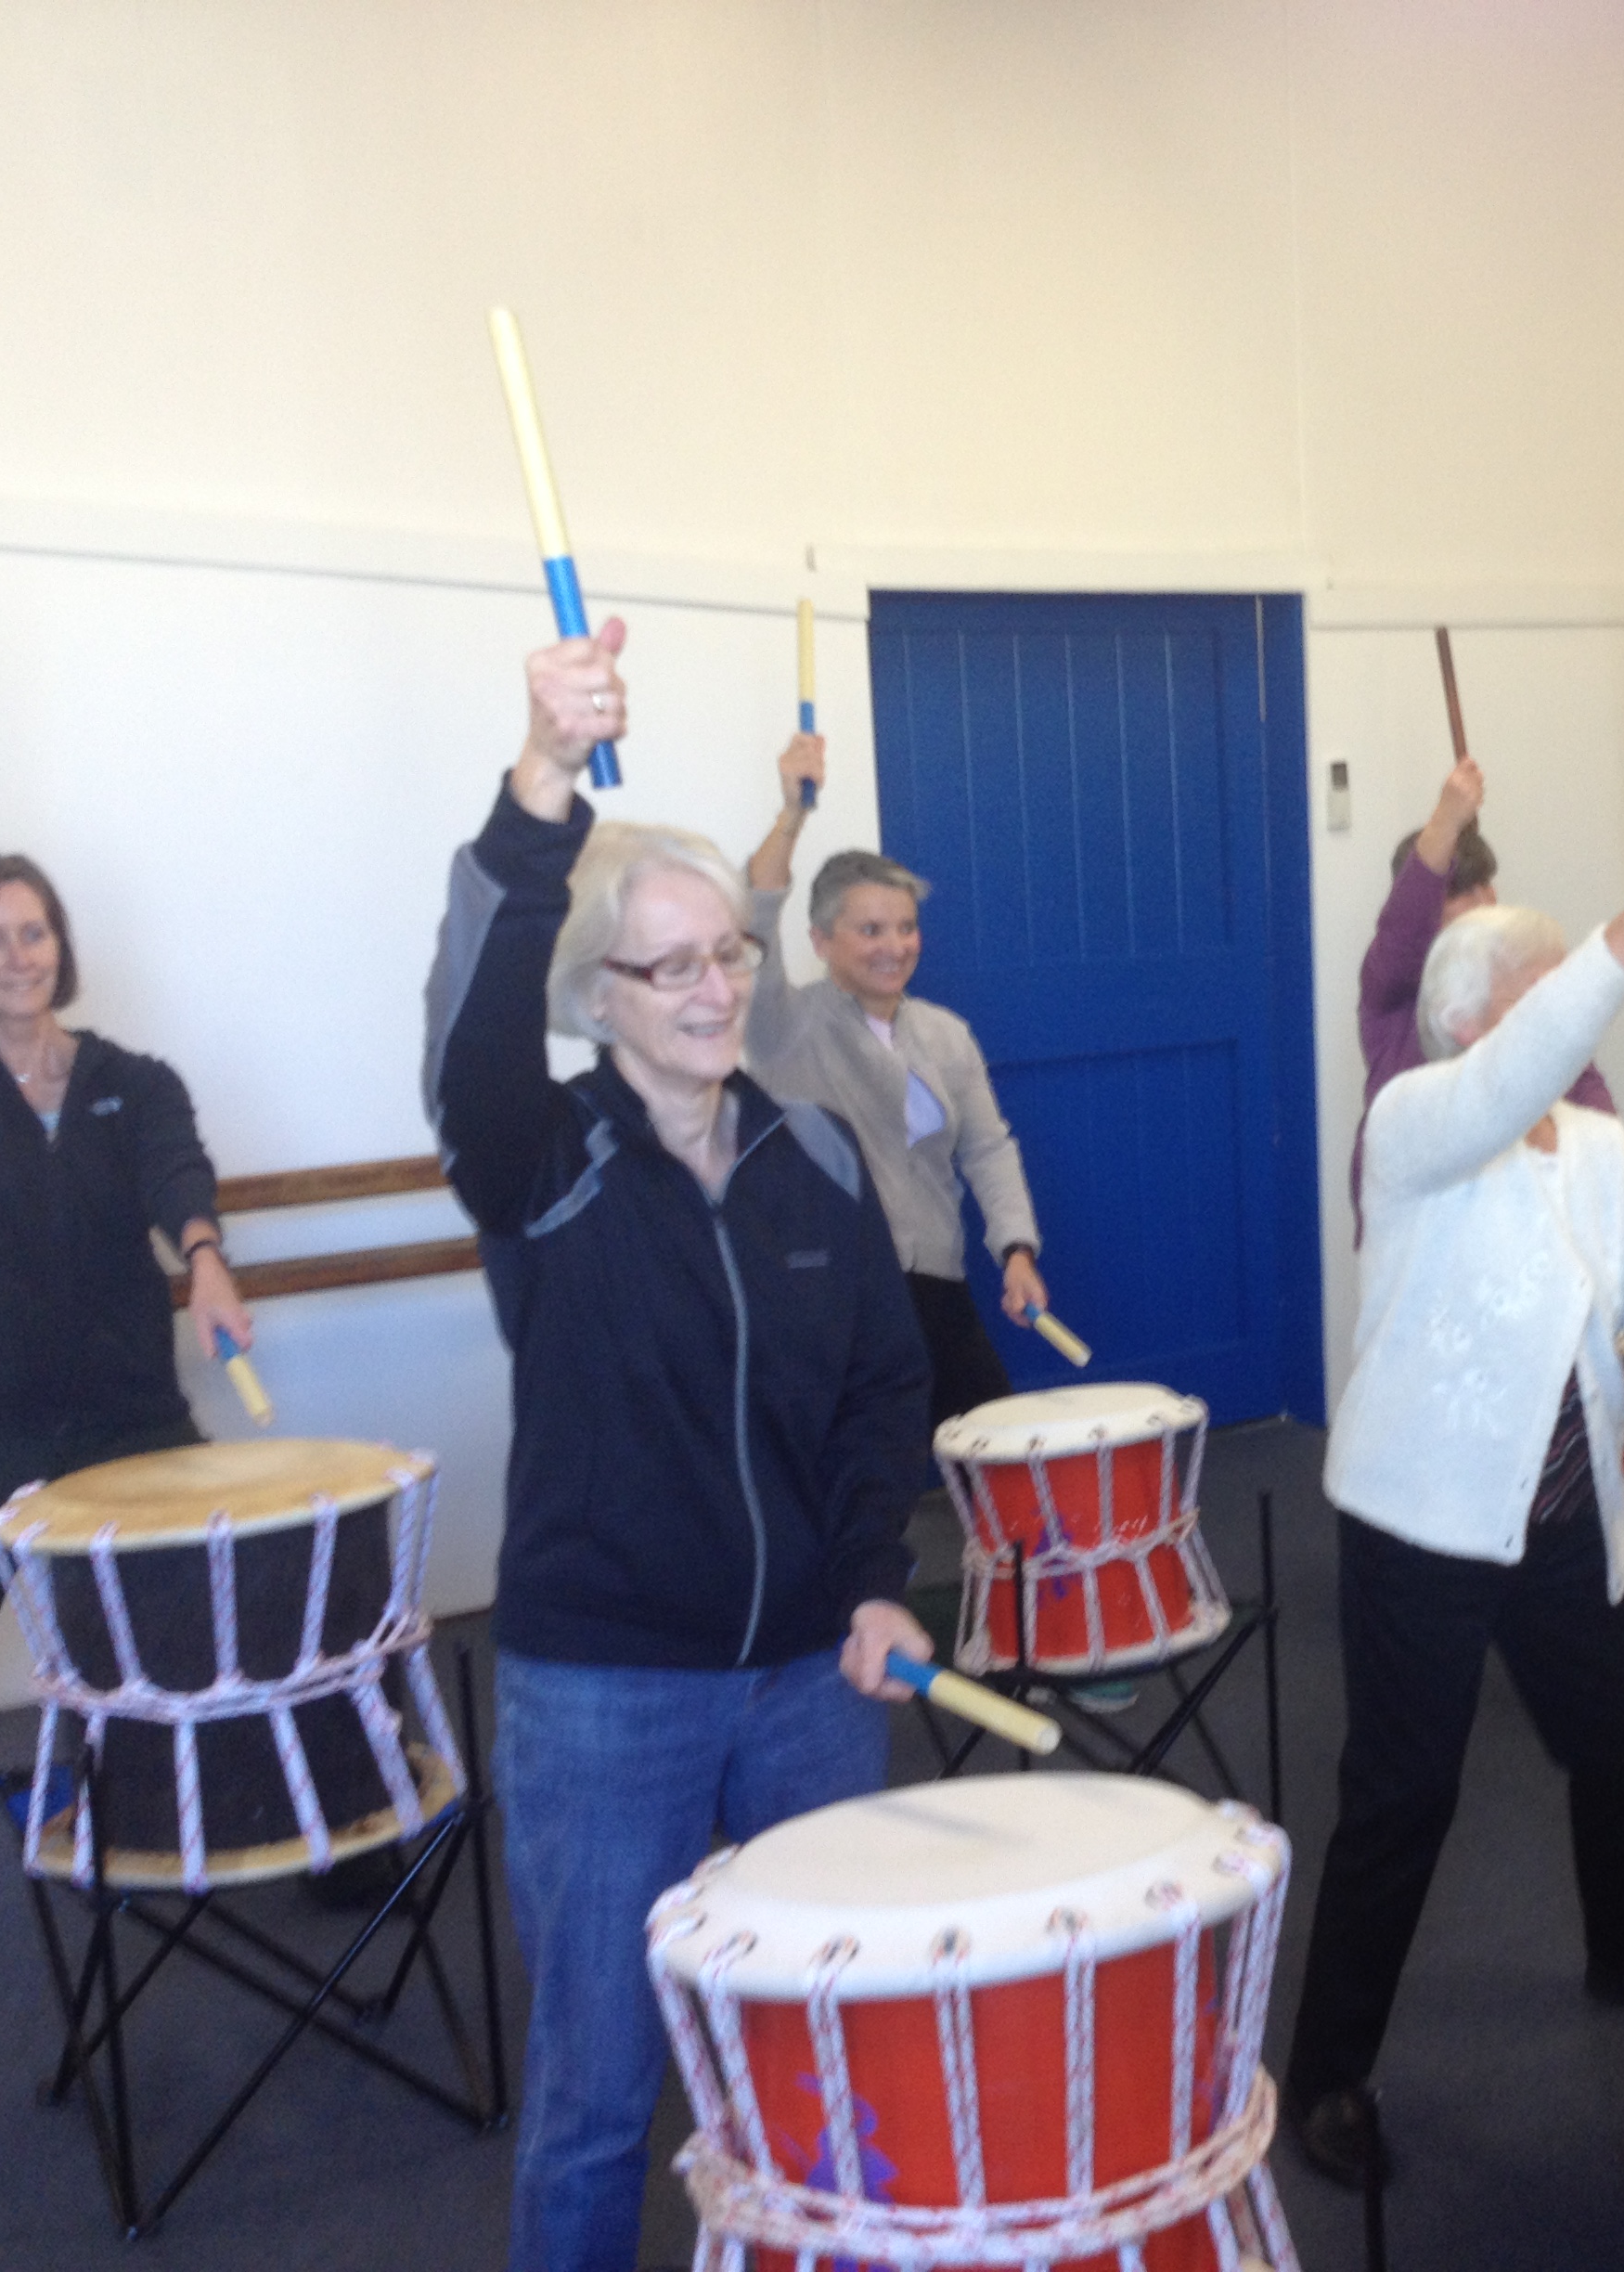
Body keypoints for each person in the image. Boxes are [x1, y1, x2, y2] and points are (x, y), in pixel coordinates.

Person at [426, 622, 935, 2272]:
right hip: (604, 1693)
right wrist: (543, 780)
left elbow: (875, 1392)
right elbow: (465, 1040)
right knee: (597, 2091)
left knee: (814, 2047)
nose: (717, 986)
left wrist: (870, 1580)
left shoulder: (816, 1159)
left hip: (808, 1680)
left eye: (730, 953)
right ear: (600, 995)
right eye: (672, 965)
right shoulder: (543, 1162)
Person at [1282, 827, 1624, 2185]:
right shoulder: (1416, 1118)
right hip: (1420, 1516)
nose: (1561, 1024)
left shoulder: (1590, 1145)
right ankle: (1329, 2077)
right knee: (1402, 1796)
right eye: (1536, 994)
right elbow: (1512, 1072)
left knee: (1622, 1742)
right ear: (1470, 1019)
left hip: (1567, 1506)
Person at [0, 641, 255, 1969]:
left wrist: (203, 1254)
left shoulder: (130, 1075)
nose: (20, 952)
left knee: (223, 1625)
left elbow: (178, 1168)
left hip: (126, 1410)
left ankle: (305, 1846)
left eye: (36, 928)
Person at [747, 732, 1049, 1425]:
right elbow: (755, 917)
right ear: (821, 941)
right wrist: (791, 814)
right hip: (830, 1302)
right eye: (872, 930)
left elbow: (987, 1150)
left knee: (995, 1456)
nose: (896, 947)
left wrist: (1017, 1248)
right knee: (860, 1490)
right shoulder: (783, 1025)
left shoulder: (944, 1032)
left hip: (935, 1285)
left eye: (906, 928)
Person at [1353, 751, 1610, 1236]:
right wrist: (1446, 821)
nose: (1485, 902)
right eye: (1462, 892)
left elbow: (1579, 1075)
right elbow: (1404, 927)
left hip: (1519, 1222)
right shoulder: (1393, 989)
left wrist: (1605, 1160)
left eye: (1487, 886)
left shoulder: (1520, 979)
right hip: (1419, 1228)